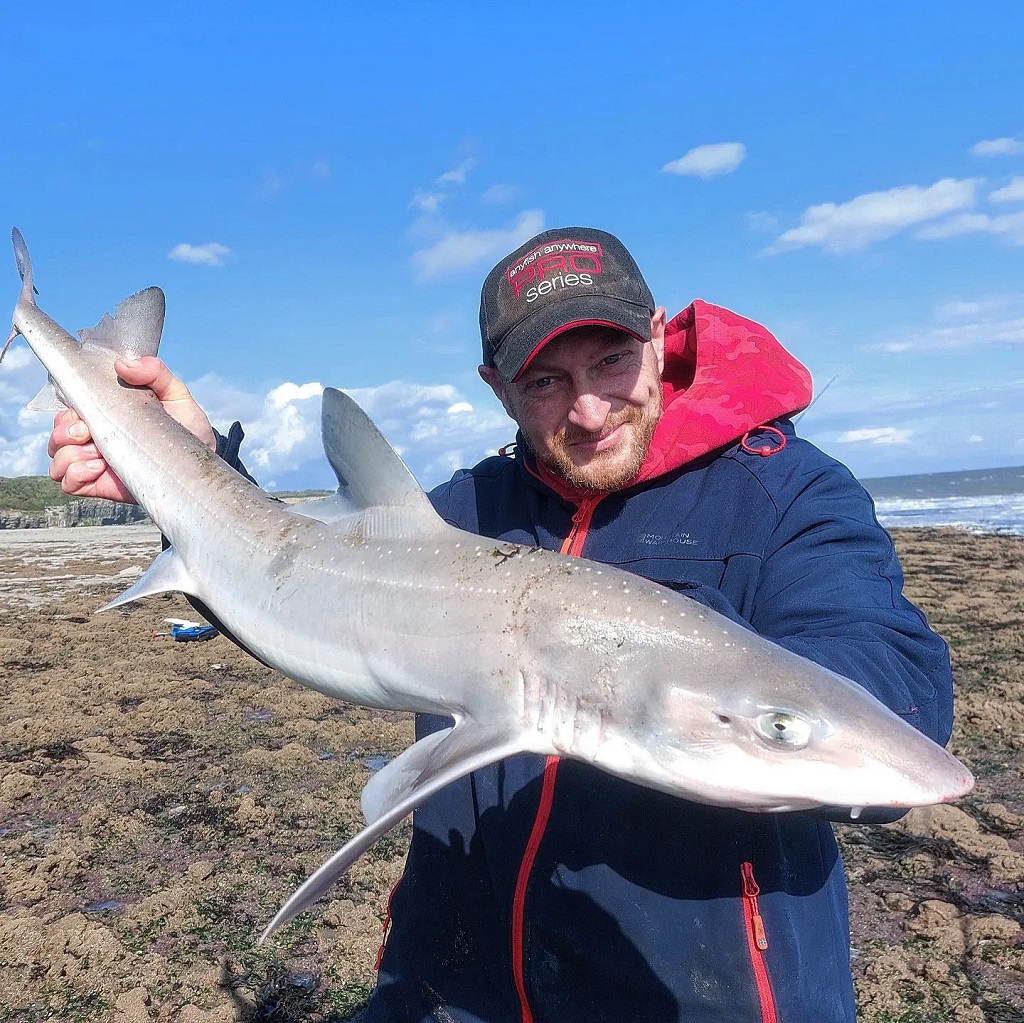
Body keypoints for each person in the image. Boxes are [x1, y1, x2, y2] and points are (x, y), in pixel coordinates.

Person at [48, 227, 954, 1023]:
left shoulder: (785, 492)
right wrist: (194, 465)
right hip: (451, 983)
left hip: (696, 995)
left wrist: (679, 676)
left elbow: (893, 685)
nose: (590, 410)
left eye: (610, 361)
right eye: (547, 382)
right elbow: (295, 570)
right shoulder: (470, 506)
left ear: (656, 334)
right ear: (497, 385)